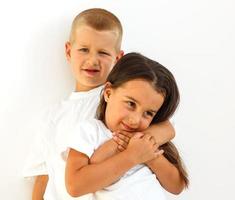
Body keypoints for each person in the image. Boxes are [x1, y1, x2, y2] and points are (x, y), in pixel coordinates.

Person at [23, 9, 175, 200]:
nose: (93, 60)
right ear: (69, 51)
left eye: (103, 52)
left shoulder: (121, 100)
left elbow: (167, 129)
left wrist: (129, 143)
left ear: (117, 58)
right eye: (84, 49)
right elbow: (43, 177)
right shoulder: (50, 117)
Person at [64, 52, 189, 200]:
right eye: (131, 104)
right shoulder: (90, 131)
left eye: (148, 113)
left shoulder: (147, 140)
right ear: (108, 93)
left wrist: (149, 156)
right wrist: (132, 156)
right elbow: (75, 186)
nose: (136, 120)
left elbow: (177, 186)